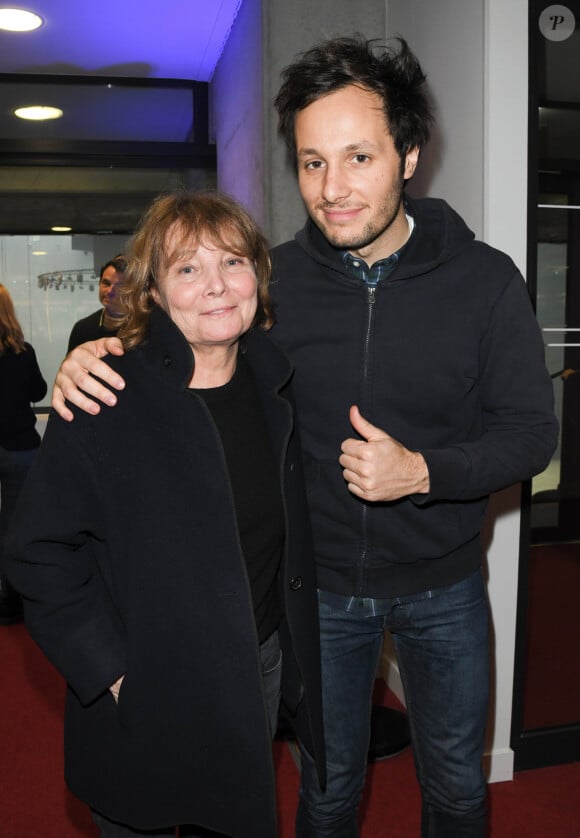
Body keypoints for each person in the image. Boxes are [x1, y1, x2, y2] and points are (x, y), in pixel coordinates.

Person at [49, 36, 558, 838]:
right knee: (326, 790)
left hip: (446, 586)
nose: (333, 187)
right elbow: (189, 341)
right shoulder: (270, 282)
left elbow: (532, 435)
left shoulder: (487, 280)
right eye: (313, 162)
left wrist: (423, 471)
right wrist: (96, 351)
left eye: (359, 157)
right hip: (315, 592)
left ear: (410, 156)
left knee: (458, 789)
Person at [6, 191, 325, 838]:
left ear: (258, 278)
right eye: (187, 269)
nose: (215, 286)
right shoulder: (105, 394)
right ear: (152, 293)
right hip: (147, 679)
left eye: (233, 262)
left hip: (253, 668)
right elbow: (38, 552)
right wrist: (113, 671)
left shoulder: (278, 383)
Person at [0, 283, 47, 625]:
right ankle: (13, 600)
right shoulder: (22, 351)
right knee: (15, 526)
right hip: (21, 448)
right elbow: (39, 390)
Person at [67, 254, 127, 351]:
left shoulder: (142, 327)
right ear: (99, 283)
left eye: (118, 286)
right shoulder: (83, 328)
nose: (110, 291)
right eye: (106, 283)